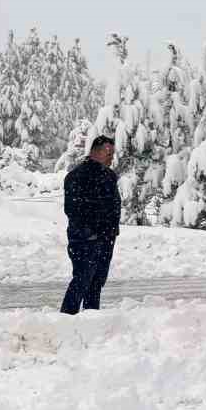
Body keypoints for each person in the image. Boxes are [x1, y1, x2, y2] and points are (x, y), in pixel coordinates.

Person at [60, 134, 121, 314]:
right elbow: (72, 209)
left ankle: (91, 318)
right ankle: (66, 317)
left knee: (96, 282)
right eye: (108, 154)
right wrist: (90, 232)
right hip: (85, 239)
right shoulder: (77, 176)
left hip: (106, 238)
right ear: (96, 152)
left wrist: (110, 232)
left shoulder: (109, 175)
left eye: (112, 154)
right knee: (82, 279)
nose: (111, 158)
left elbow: (112, 205)